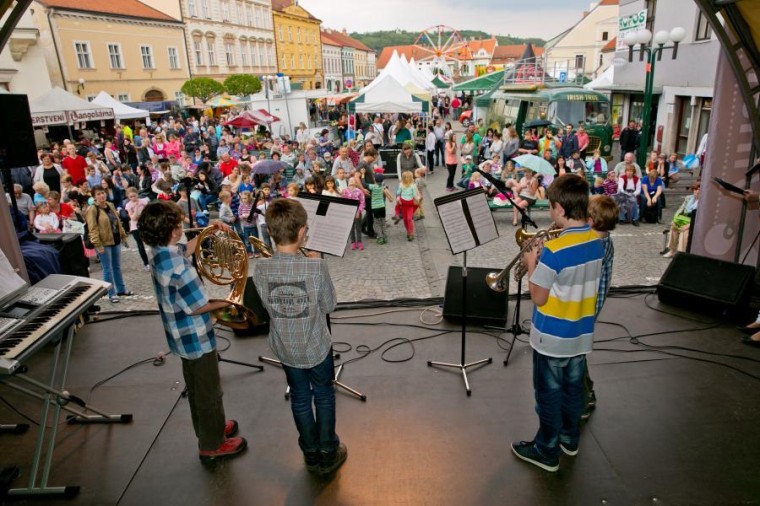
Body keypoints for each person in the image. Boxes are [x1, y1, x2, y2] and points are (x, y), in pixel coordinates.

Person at [137, 201, 247, 463]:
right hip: (196, 338)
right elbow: (199, 307)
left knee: (198, 389)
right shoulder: (181, 268)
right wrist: (233, 301)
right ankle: (212, 444)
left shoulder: (158, 253)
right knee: (209, 392)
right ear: (174, 230)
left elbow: (185, 247)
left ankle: (212, 427)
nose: (183, 226)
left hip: (180, 337)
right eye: (179, 224)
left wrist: (209, 231)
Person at [511, 175, 604, 473]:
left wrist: (531, 263)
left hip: (552, 336)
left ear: (561, 209)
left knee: (548, 393)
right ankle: (568, 438)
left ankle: (546, 449)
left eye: (551, 207)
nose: (550, 213)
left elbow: (538, 297)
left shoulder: (556, 250)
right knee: (573, 389)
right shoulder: (598, 241)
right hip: (580, 334)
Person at [252, 198, 346, 475]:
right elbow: (329, 306)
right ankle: (328, 450)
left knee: (301, 399)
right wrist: (316, 262)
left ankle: (310, 452)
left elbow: (269, 307)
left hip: (286, 348)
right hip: (316, 346)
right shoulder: (315, 267)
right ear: (304, 231)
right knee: (324, 396)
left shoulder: (261, 269)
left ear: (269, 232)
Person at [583, 195, 619, 420]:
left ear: (590, 220)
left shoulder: (591, 245)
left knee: (575, 355)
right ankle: (586, 393)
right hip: (591, 305)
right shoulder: (605, 240)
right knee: (577, 353)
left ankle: (584, 398)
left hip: (584, 308)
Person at [86, 187, 132, 303]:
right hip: (104, 242)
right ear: (94, 197)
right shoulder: (92, 209)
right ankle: (111, 293)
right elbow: (92, 228)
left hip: (115, 239)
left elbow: (117, 221)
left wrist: (123, 236)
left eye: (103, 193)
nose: (102, 196)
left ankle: (121, 289)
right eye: (98, 194)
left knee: (117, 267)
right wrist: (97, 244)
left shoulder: (110, 205)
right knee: (108, 269)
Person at [662, 183, 700, 258]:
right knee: (673, 228)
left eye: (699, 190)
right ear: (693, 190)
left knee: (684, 231)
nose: (697, 191)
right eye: (696, 189)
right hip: (683, 219)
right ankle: (672, 250)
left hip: (693, 223)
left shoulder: (703, 202)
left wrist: (688, 226)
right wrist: (674, 221)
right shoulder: (688, 198)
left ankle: (680, 254)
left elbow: (699, 218)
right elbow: (680, 210)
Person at [124, 187, 150, 271]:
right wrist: (135, 208)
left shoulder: (143, 201)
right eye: (130, 197)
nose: (133, 198)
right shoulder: (128, 205)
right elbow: (133, 218)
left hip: (145, 225)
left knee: (151, 243)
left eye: (134, 196)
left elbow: (147, 213)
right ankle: (146, 263)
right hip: (135, 227)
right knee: (140, 245)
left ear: (137, 194)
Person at [396, 170, 420, 241]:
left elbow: (415, 195)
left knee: (409, 219)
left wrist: (418, 199)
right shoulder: (401, 185)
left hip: (410, 204)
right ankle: (408, 231)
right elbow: (398, 193)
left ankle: (411, 233)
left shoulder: (413, 186)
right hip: (403, 204)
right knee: (405, 219)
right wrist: (398, 199)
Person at [342, 178, 365, 251]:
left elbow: (362, 202)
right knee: (351, 228)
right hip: (349, 212)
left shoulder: (359, 191)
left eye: (353, 180)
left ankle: (359, 242)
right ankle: (353, 242)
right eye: (350, 180)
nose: (352, 181)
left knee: (358, 227)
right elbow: (343, 201)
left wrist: (359, 211)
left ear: (356, 183)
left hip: (357, 211)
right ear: (348, 182)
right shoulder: (345, 191)